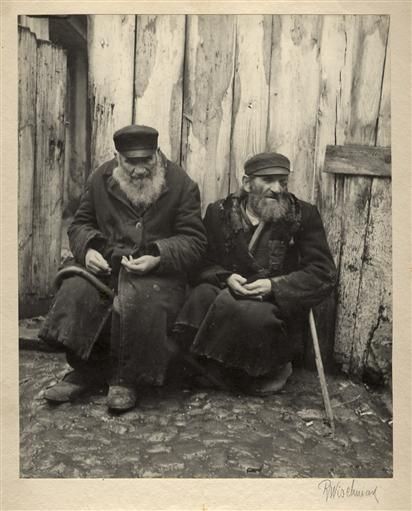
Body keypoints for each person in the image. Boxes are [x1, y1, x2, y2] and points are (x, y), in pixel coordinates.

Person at [39, 125, 207, 412]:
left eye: (146, 160)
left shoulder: (181, 184)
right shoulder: (100, 179)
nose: (139, 169)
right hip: (107, 267)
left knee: (142, 302)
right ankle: (85, 371)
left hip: (157, 274)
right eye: (131, 162)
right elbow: (80, 224)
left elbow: (195, 240)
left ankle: (127, 380)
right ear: (118, 157)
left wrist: (159, 255)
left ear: (157, 154)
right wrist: (88, 249)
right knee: (76, 289)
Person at [173, 152, 337, 395]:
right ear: (247, 183)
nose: (277, 189)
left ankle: (265, 371)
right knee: (200, 297)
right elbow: (202, 262)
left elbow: (323, 272)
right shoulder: (219, 213)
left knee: (248, 314)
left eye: (282, 181)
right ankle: (214, 368)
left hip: (273, 300)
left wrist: (274, 286)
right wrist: (225, 277)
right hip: (229, 287)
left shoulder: (302, 215)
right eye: (267, 180)